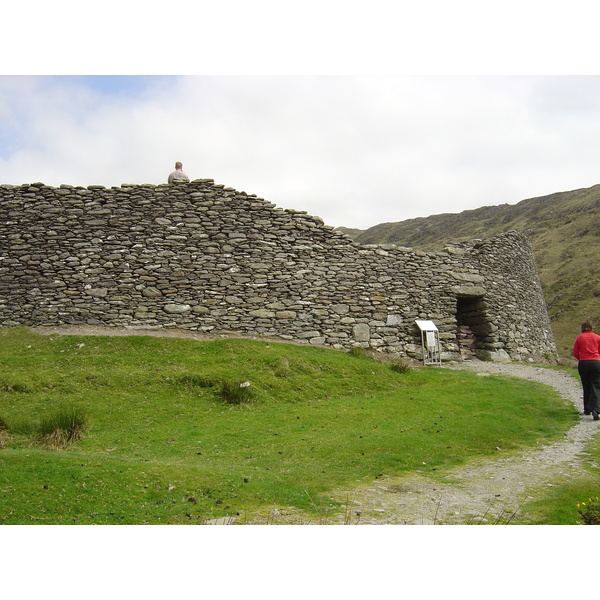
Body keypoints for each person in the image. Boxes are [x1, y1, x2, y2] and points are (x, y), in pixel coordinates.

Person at [573, 319, 600, 420]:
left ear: (582, 328)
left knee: (586, 385)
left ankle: (587, 409)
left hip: (584, 362)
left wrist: (582, 358)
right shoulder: (598, 337)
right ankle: (596, 409)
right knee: (596, 385)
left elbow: (575, 352)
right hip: (596, 362)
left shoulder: (580, 338)